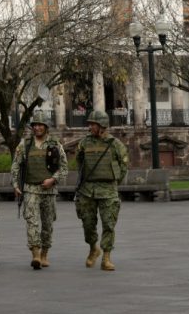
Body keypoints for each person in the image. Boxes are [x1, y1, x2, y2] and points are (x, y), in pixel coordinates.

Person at [11, 110, 68, 269]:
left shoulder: (55, 144)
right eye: (35, 125)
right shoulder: (25, 144)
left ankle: (44, 254)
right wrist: (15, 185)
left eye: (40, 125)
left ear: (46, 127)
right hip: (30, 188)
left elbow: (64, 168)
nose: (37, 128)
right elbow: (16, 165)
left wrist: (53, 180)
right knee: (32, 221)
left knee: (48, 224)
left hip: (49, 191)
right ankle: (35, 253)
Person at [75, 109, 129, 271]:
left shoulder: (115, 144)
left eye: (93, 124)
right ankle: (93, 248)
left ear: (102, 125)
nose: (90, 127)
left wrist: (113, 182)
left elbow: (124, 165)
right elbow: (79, 163)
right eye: (90, 124)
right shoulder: (84, 143)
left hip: (108, 191)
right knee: (88, 224)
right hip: (87, 190)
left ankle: (106, 257)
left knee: (109, 224)